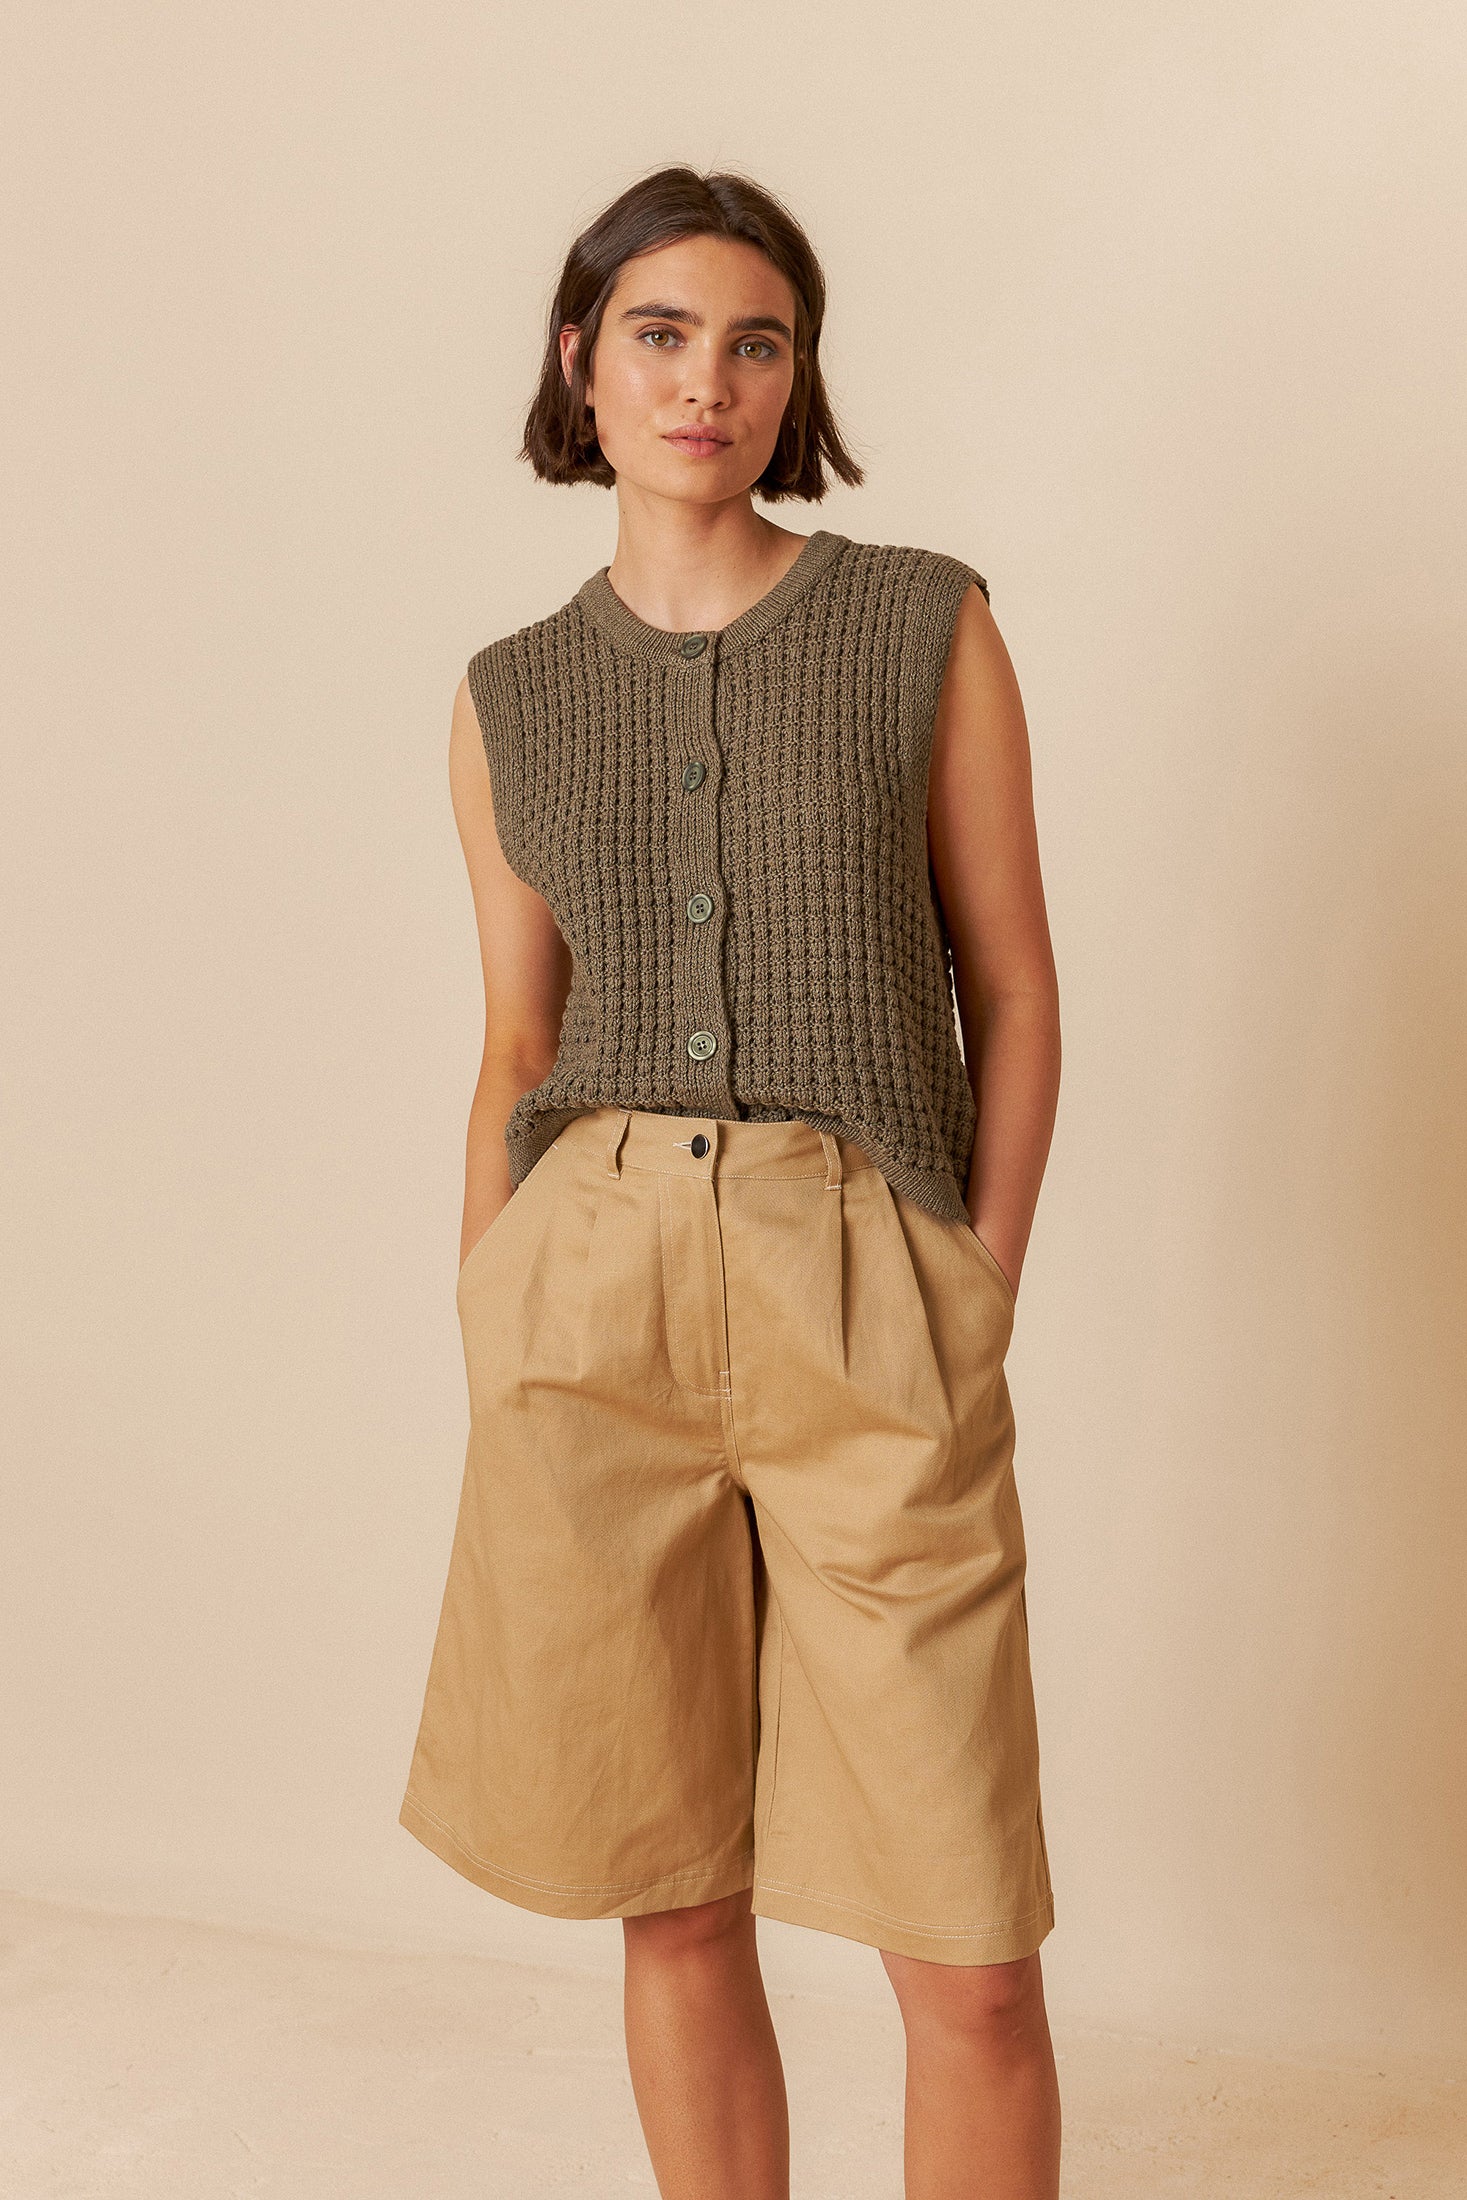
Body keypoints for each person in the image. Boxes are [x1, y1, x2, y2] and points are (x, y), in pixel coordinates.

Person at [400, 163, 1063, 2200]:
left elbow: (1012, 988)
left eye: (756, 341)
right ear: (579, 363)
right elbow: (516, 1045)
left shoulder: (915, 618)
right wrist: (492, 1311)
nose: (709, 379)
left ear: (796, 383)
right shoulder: (509, 692)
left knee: (958, 1941)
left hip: (858, 1267)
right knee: (669, 1888)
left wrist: (970, 1286)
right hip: (584, 1283)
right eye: (664, 333)